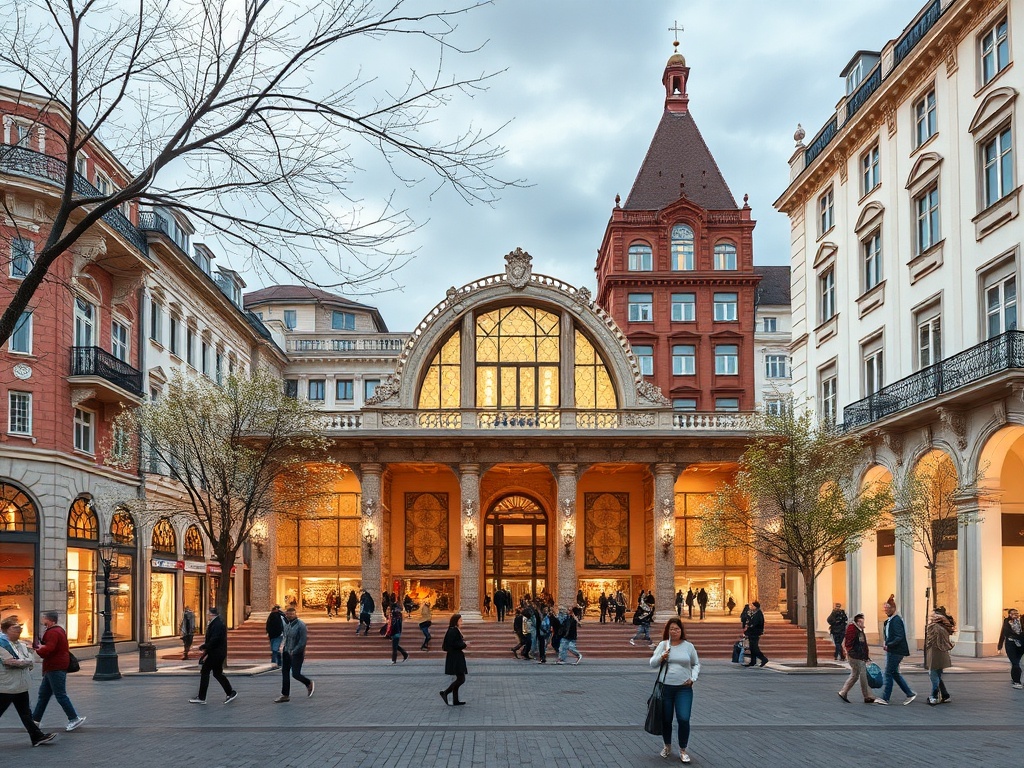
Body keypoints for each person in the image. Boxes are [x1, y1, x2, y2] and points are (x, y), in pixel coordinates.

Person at [0, 616, 57, 747]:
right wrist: (25, 662)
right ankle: (37, 736)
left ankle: (37, 737)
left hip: (21, 685)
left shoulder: (21, 645)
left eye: (19, 627)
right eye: (14, 628)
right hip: (6, 686)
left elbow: (30, 661)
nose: (18, 630)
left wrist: (25, 661)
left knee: (25, 713)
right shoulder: (2, 644)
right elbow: (10, 662)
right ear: (6, 630)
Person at [649, 618, 700, 764]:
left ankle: (683, 749)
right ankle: (667, 746)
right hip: (666, 688)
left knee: (683, 718)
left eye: (677, 629)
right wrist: (661, 657)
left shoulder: (688, 646)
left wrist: (693, 678)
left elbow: (696, 664)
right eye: (672, 629)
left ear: (681, 630)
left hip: (684, 688)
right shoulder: (663, 645)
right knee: (666, 719)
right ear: (668, 630)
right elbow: (652, 663)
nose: (674, 631)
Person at [31, 611, 85, 731]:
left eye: (44, 619)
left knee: (60, 694)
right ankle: (35, 721)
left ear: (50, 620)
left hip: (54, 666)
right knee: (43, 695)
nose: (42, 621)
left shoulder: (53, 632)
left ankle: (74, 718)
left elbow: (48, 649)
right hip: (54, 667)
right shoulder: (58, 631)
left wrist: (37, 649)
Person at [189, 606, 237, 705]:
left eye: (208, 614)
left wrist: (202, 647)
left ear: (212, 614)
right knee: (217, 673)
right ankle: (230, 692)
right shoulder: (216, 623)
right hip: (217, 653)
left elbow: (214, 640)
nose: (207, 616)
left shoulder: (217, 624)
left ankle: (202, 698)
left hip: (215, 653)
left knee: (205, 671)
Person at [874, 595, 915, 705]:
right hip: (892, 650)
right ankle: (909, 694)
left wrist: (889, 645)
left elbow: (899, 636)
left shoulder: (896, 620)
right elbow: (889, 635)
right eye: (885, 609)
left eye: (887, 609)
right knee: (894, 673)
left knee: (888, 673)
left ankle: (885, 698)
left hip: (896, 650)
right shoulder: (889, 621)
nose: (885, 611)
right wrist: (886, 642)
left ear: (893, 609)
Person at [275, 606, 314, 702]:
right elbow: (285, 637)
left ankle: (308, 682)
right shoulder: (287, 624)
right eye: (288, 614)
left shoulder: (301, 625)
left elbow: (303, 641)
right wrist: (282, 648)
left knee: (295, 674)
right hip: (286, 652)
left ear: (295, 614)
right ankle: (285, 695)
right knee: (285, 673)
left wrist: (295, 651)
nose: (290, 615)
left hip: (297, 653)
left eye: (292, 614)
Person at [837, 613, 874, 703]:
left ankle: (843, 692)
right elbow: (849, 644)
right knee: (863, 675)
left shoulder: (858, 630)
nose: (862, 623)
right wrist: (854, 654)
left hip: (858, 656)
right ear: (857, 622)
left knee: (855, 675)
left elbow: (862, 645)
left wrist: (866, 656)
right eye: (861, 621)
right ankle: (867, 696)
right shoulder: (853, 630)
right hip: (856, 656)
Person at [925, 608, 955, 705]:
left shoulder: (933, 627)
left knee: (933, 675)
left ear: (938, 617)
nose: (931, 617)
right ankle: (945, 695)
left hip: (934, 653)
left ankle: (934, 696)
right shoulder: (946, 627)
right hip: (943, 654)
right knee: (937, 675)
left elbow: (929, 641)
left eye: (933, 615)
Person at [440, 614, 468, 706]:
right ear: (456, 621)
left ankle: (455, 700)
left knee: (459, 678)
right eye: (460, 620)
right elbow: (454, 644)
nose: (461, 622)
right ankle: (445, 692)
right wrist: (464, 644)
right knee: (461, 678)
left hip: (456, 655)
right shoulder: (453, 630)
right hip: (455, 656)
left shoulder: (454, 630)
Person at [997, 607, 1023, 689]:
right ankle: (1016, 682)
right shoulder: (1007, 622)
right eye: (1013, 614)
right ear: (1009, 615)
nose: (1016, 615)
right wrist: (1000, 646)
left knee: (1017, 662)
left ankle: (1015, 677)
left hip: (1021, 644)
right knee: (1015, 662)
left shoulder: (1021, 621)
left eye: (1017, 613)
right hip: (1010, 644)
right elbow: (1003, 633)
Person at [744, 600, 768, 667]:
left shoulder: (758, 614)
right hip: (752, 633)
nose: (751, 607)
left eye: (752, 606)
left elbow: (756, 623)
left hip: (755, 633)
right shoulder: (754, 613)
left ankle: (763, 659)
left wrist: (750, 625)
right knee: (752, 648)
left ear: (756, 607)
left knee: (755, 648)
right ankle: (753, 661)